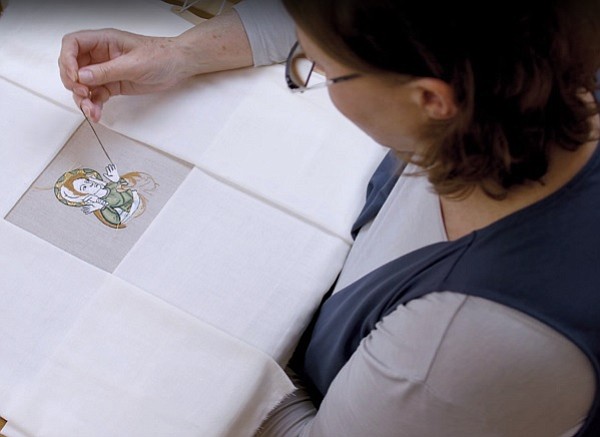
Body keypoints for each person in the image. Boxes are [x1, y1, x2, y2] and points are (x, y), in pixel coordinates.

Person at [59, 0, 600, 435]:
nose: (310, 66)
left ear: (432, 100)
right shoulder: (535, 55)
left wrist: (202, 328)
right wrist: (185, 51)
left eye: (319, 70)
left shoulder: (459, 349)